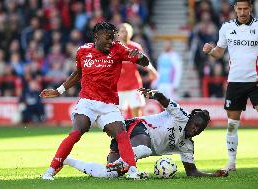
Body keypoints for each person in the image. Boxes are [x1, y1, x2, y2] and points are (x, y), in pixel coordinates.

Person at [40, 22, 149, 180]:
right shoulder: (83, 51)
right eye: (108, 38)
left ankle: (133, 171)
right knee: (76, 132)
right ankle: (51, 170)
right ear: (96, 37)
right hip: (87, 102)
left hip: (108, 105)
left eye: (112, 38)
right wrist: (59, 90)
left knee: (121, 134)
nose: (111, 42)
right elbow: (78, 73)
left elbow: (143, 62)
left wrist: (141, 57)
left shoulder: (118, 49)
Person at [58, 88, 228, 178]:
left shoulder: (187, 146)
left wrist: (214, 175)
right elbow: (163, 99)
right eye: (195, 124)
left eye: (200, 129)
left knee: (107, 175)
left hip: (134, 144)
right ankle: (127, 166)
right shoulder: (181, 115)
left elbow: (192, 172)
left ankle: (68, 161)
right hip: (136, 127)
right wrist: (152, 94)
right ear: (191, 119)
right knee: (145, 149)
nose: (195, 129)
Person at [202, 0, 258, 171]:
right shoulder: (226, 28)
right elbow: (219, 52)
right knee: (232, 123)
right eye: (239, 9)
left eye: (245, 9)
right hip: (235, 81)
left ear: (251, 9)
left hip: (256, 80)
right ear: (234, 9)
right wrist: (210, 50)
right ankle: (232, 162)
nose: (242, 12)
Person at [117, 23, 158, 117]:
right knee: (117, 115)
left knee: (136, 113)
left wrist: (151, 70)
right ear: (118, 33)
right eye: (122, 31)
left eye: (127, 31)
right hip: (118, 86)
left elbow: (144, 61)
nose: (125, 33)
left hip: (134, 85)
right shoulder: (114, 49)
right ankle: (121, 132)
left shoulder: (135, 47)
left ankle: (136, 131)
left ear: (131, 33)